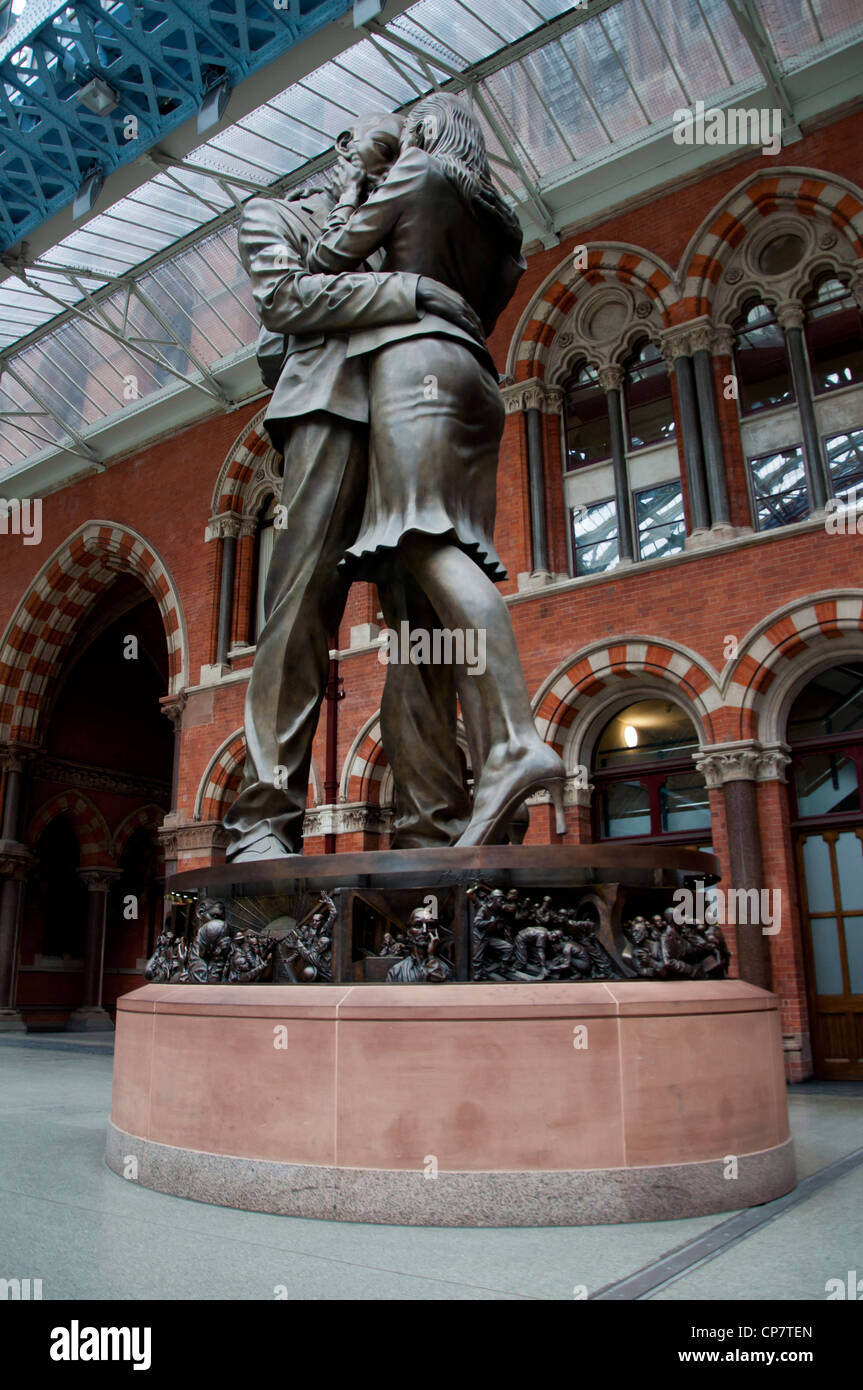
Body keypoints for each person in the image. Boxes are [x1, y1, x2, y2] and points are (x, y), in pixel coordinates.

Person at [224, 112, 486, 859]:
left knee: (422, 618)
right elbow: (286, 300)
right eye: (375, 140)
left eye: (401, 140)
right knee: (302, 599)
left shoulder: (412, 200)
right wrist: (410, 291)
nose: (391, 148)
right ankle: (264, 822)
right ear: (340, 146)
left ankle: (432, 828)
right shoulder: (274, 214)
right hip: (328, 402)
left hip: (420, 404)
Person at [307, 94, 566, 846]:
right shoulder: (499, 216)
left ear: (423, 130)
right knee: (422, 590)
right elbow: (488, 300)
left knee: (423, 542)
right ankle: (472, 787)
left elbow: (330, 257)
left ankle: (515, 742)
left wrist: (357, 177)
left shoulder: (414, 170)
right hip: (476, 373)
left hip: (412, 363)